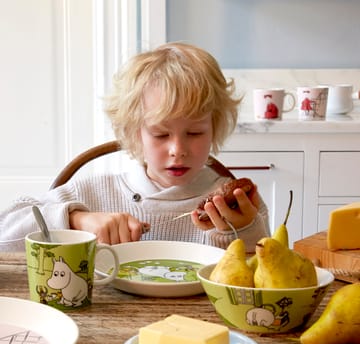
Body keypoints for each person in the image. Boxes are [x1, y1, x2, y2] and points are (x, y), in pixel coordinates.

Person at [0, 42, 270, 252]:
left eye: (195, 132)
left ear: (215, 126)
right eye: (161, 134)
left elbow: (264, 280)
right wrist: (76, 221)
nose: (178, 149)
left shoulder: (240, 207)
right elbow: (5, 232)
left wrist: (245, 231)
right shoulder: (94, 194)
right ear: (134, 131)